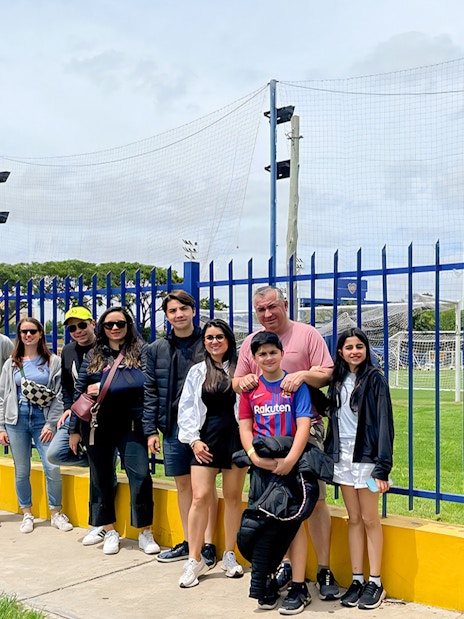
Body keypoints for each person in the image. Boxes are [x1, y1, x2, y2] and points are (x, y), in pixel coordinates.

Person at [233, 285, 339, 611]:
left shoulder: (307, 335)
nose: (267, 314)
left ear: (285, 304)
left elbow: (328, 374)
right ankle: (287, 570)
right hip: (267, 437)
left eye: (271, 307)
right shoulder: (252, 343)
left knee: (314, 502)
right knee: (275, 508)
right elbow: (237, 383)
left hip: (305, 431)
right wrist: (245, 382)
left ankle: (322, 570)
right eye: (260, 310)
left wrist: (303, 374)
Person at [69, 306, 159, 555]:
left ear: (128, 325)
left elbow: (148, 388)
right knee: (100, 476)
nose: (115, 328)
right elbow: (80, 392)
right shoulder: (94, 355)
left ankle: (144, 530)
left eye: (120, 323)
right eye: (109, 325)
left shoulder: (142, 352)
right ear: (102, 328)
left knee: (140, 475)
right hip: (97, 424)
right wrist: (73, 429)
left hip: (132, 423)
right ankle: (108, 529)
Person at [239, 331, 316, 613]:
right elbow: (245, 426)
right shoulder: (250, 389)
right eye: (262, 354)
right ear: (254, 358)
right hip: (261, 466)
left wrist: (290, 461)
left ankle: (298, 585)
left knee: (293, 526)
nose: (268, 358)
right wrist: (254, 458)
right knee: (265, 528)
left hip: (291, 467)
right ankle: (268, 580)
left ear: (282, 353)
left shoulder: (295, 386)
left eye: (273, 352)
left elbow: (304, 425)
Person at [143, 290, 218, 566]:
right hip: (173, 428)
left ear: (193, 311)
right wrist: (151, 430)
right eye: (173, 310)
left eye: (184, 309)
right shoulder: (156, 350)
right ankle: (190, 543)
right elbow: (150, 392)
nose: (179, 315)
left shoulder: (208, 342)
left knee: (205, 488)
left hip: (206, 427)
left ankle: (208, 545)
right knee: (183, 486)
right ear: (167, 315)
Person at [324, 328, 394, 610]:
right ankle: (356, 578)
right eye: (348, 347)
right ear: (340, 352)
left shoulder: (375, 379)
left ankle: (375, 581)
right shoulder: (337, 380)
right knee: (353, 519)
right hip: (342, 460)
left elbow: (385, 425)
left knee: (369, 519)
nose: (354, 351)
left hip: (367, 460)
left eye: (359, 346)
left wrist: (382, 468)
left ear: (366, 349)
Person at [177, 319, 246, 588]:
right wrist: (193, 440)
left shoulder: (241, 369)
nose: (214, 341)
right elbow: (187, 409)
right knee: (200, 497)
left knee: (232, 497)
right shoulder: (197, 371)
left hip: (236, 440)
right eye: (209, 338)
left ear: (228, 339)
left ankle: (229, 553)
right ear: (204, 342)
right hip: (206, 440)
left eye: (219, 337)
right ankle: (195, 559)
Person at [47, 305, 114, 546]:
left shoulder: (105, 349)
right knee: (54, 453)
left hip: (102, 418)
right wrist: (68, 408)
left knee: (102, 474)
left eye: (82, 325)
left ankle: (101, 524)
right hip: (77, 415)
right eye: (72, 328)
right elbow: (67, 386)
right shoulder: (67, 351)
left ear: (93, 323)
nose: (78, 331)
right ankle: (99, 462)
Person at [0, 317, 73, 533]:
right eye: (23, 332)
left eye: (32, 331)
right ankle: (27, 513)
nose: (28, 335)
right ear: (19, 335)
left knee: (52, 466)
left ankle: (56, 513)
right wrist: (1, 426)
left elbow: (59, 395)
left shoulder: (53, 361)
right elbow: (3, 396)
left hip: (43, 418)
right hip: (17, 419)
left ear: (40, 333)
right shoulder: (11, 363)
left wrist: (51, 424)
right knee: (21, 469)